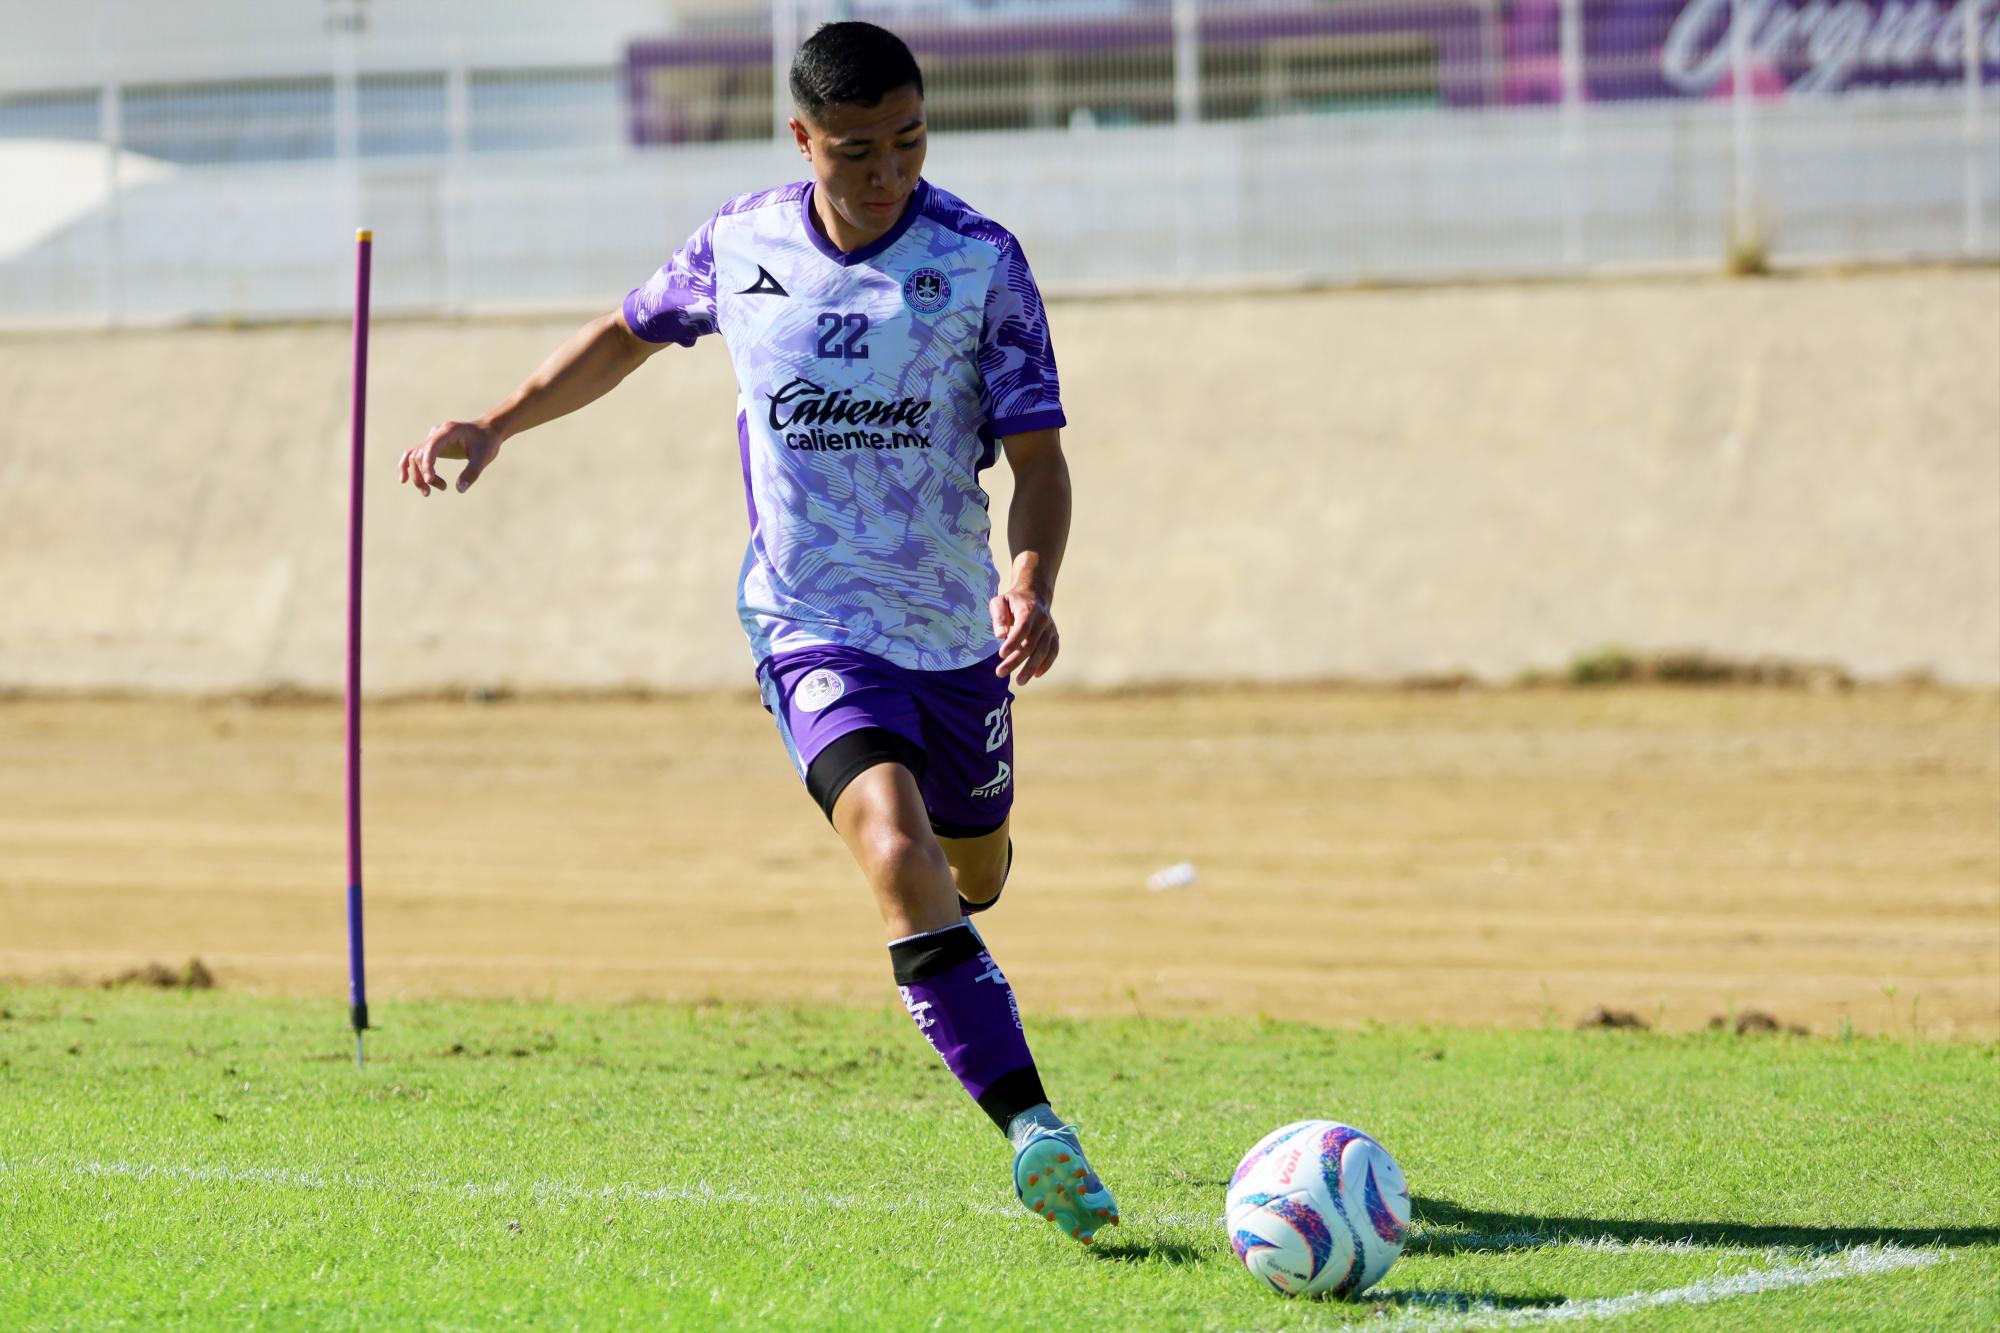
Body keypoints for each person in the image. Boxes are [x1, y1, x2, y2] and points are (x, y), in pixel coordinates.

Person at [398, 21, 1117, 1245]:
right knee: (893, 849)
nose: (886, 171)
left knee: (971, 870)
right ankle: (1034, 1129)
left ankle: (963, 928)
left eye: (908, 141)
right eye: (855, 150)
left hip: (954, 636)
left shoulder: (978, 259)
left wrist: (1032, 582)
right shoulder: (741, 244)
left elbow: (1039, 462)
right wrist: (498, 422)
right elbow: (625, 333)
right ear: (801, 139)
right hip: (808, 622)